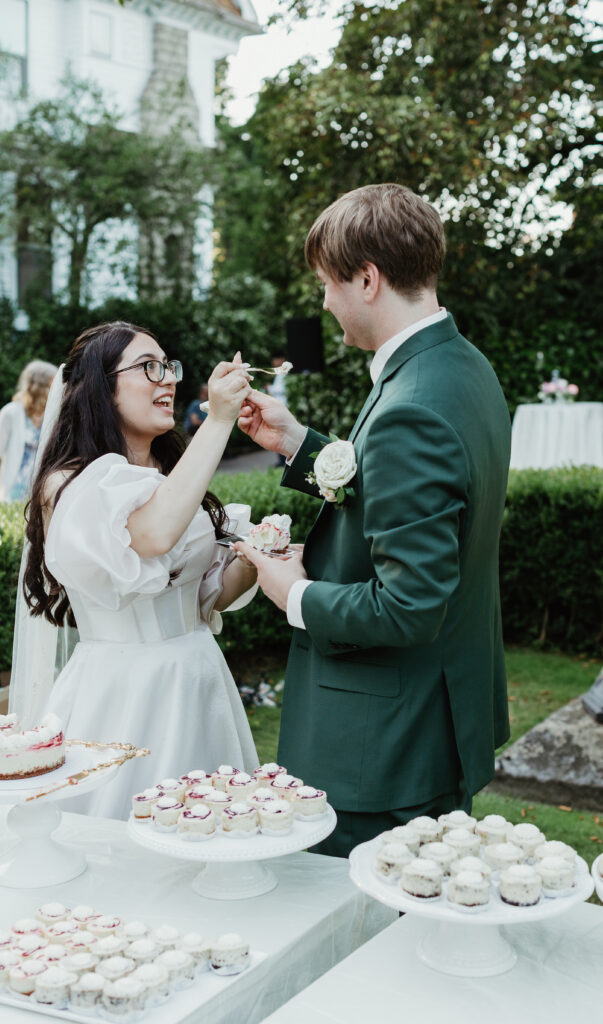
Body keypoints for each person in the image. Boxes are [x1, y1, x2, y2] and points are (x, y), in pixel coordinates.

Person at [236, 184, 512, 858]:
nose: (323, 303)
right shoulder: (459, 367)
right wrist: (302, 446)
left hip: (380, 750)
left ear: (367, 278)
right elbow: (404, 491)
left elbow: (409, 606)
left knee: (358, 946)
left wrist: (289, 592)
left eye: (327, 285)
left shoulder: (409, 406)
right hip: (432, 718)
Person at [17, 321, 258, 818]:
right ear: (101, 388)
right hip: (127, 692)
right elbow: (152, 537)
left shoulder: (171, 480)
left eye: (169, 366)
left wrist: (257, 557)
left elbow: (210, 598)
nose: (167, 379)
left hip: (199, 678)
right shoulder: (71, 483)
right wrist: (218, 422)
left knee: (209, 832)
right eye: (149, 367)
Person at [0, 359, 57, 503]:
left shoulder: (54, 415)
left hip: (42, 498)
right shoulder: (10, 413)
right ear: (39, 387)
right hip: (11, 497)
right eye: (53, 385)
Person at [266, 355, 289, 467]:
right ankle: (281, 459)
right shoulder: (279, 373)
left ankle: (284, 459)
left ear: (281, 360)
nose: (273, 362)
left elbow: (282, 389)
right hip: (278, 406)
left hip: (282, 407)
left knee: (281, 433)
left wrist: (270, 388)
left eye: (275, 359)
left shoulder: (284, 373)